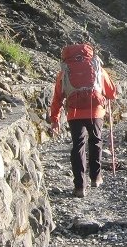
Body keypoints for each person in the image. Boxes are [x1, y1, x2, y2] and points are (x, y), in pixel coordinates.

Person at [49, 44, 117, 197]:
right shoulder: (97, 68)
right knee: (95, 141)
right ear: (89, 54)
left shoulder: (64, 71)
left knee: (78, 145)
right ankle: (96, 178)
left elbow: (57, 98)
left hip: (74, 112)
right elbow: (112, 92)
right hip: (95, 111)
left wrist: (55, 119)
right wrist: (109, 96)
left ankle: (80, 187)